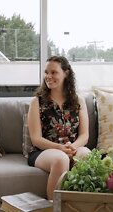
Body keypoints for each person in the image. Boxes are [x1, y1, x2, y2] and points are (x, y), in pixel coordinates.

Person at [27, 55, 91, 200]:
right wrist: (60, 148)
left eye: (54, 72)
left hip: (73, 147)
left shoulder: (78, 101)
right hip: (43, 151)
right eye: (46, 72)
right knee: (61, 159)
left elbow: (84, 136)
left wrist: (72, 147)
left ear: (66, 73)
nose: (48, 76)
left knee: (86, 155)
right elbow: (36, 139)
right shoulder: (37, 102)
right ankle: (54, 207)